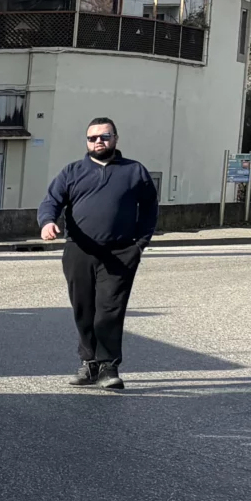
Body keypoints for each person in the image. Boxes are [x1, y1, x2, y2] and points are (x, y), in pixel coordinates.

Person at [38, 117, 158, 391]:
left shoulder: (135, 171)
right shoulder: (72, 172)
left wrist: (139, 244)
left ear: (115, 138)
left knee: (109, 311)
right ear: (87, 142)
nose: (98, 142)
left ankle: (108, 366)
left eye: (104, 137)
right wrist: (47, 222)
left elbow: (150, 209)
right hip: (79, 251)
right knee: (84, 309)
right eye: (92, 138)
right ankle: (89, 363)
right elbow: (51, 201)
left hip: (120, 253)